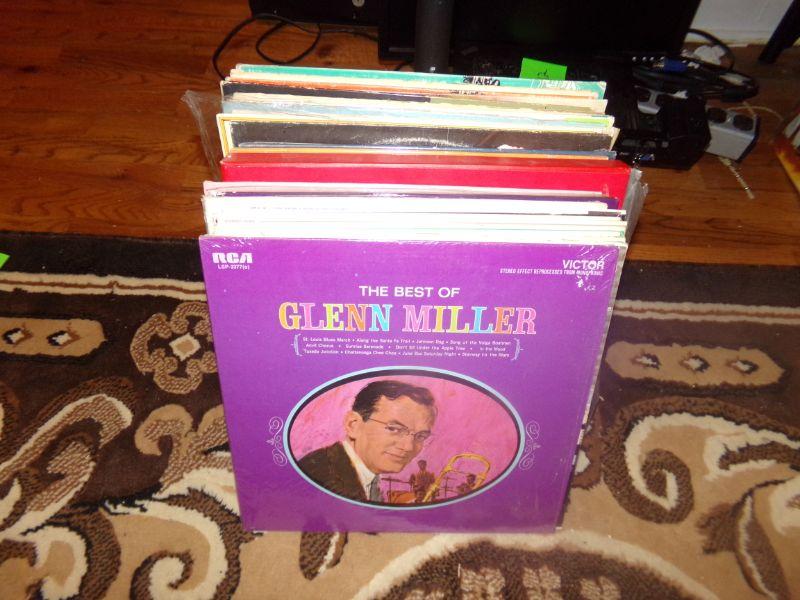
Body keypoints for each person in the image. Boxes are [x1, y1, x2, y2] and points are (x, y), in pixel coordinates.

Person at [297, 379, 436, 503]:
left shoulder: (362, 477)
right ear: (353, 425)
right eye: (394, 429)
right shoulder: (319, 475)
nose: (408, 447)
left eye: (421, 436)